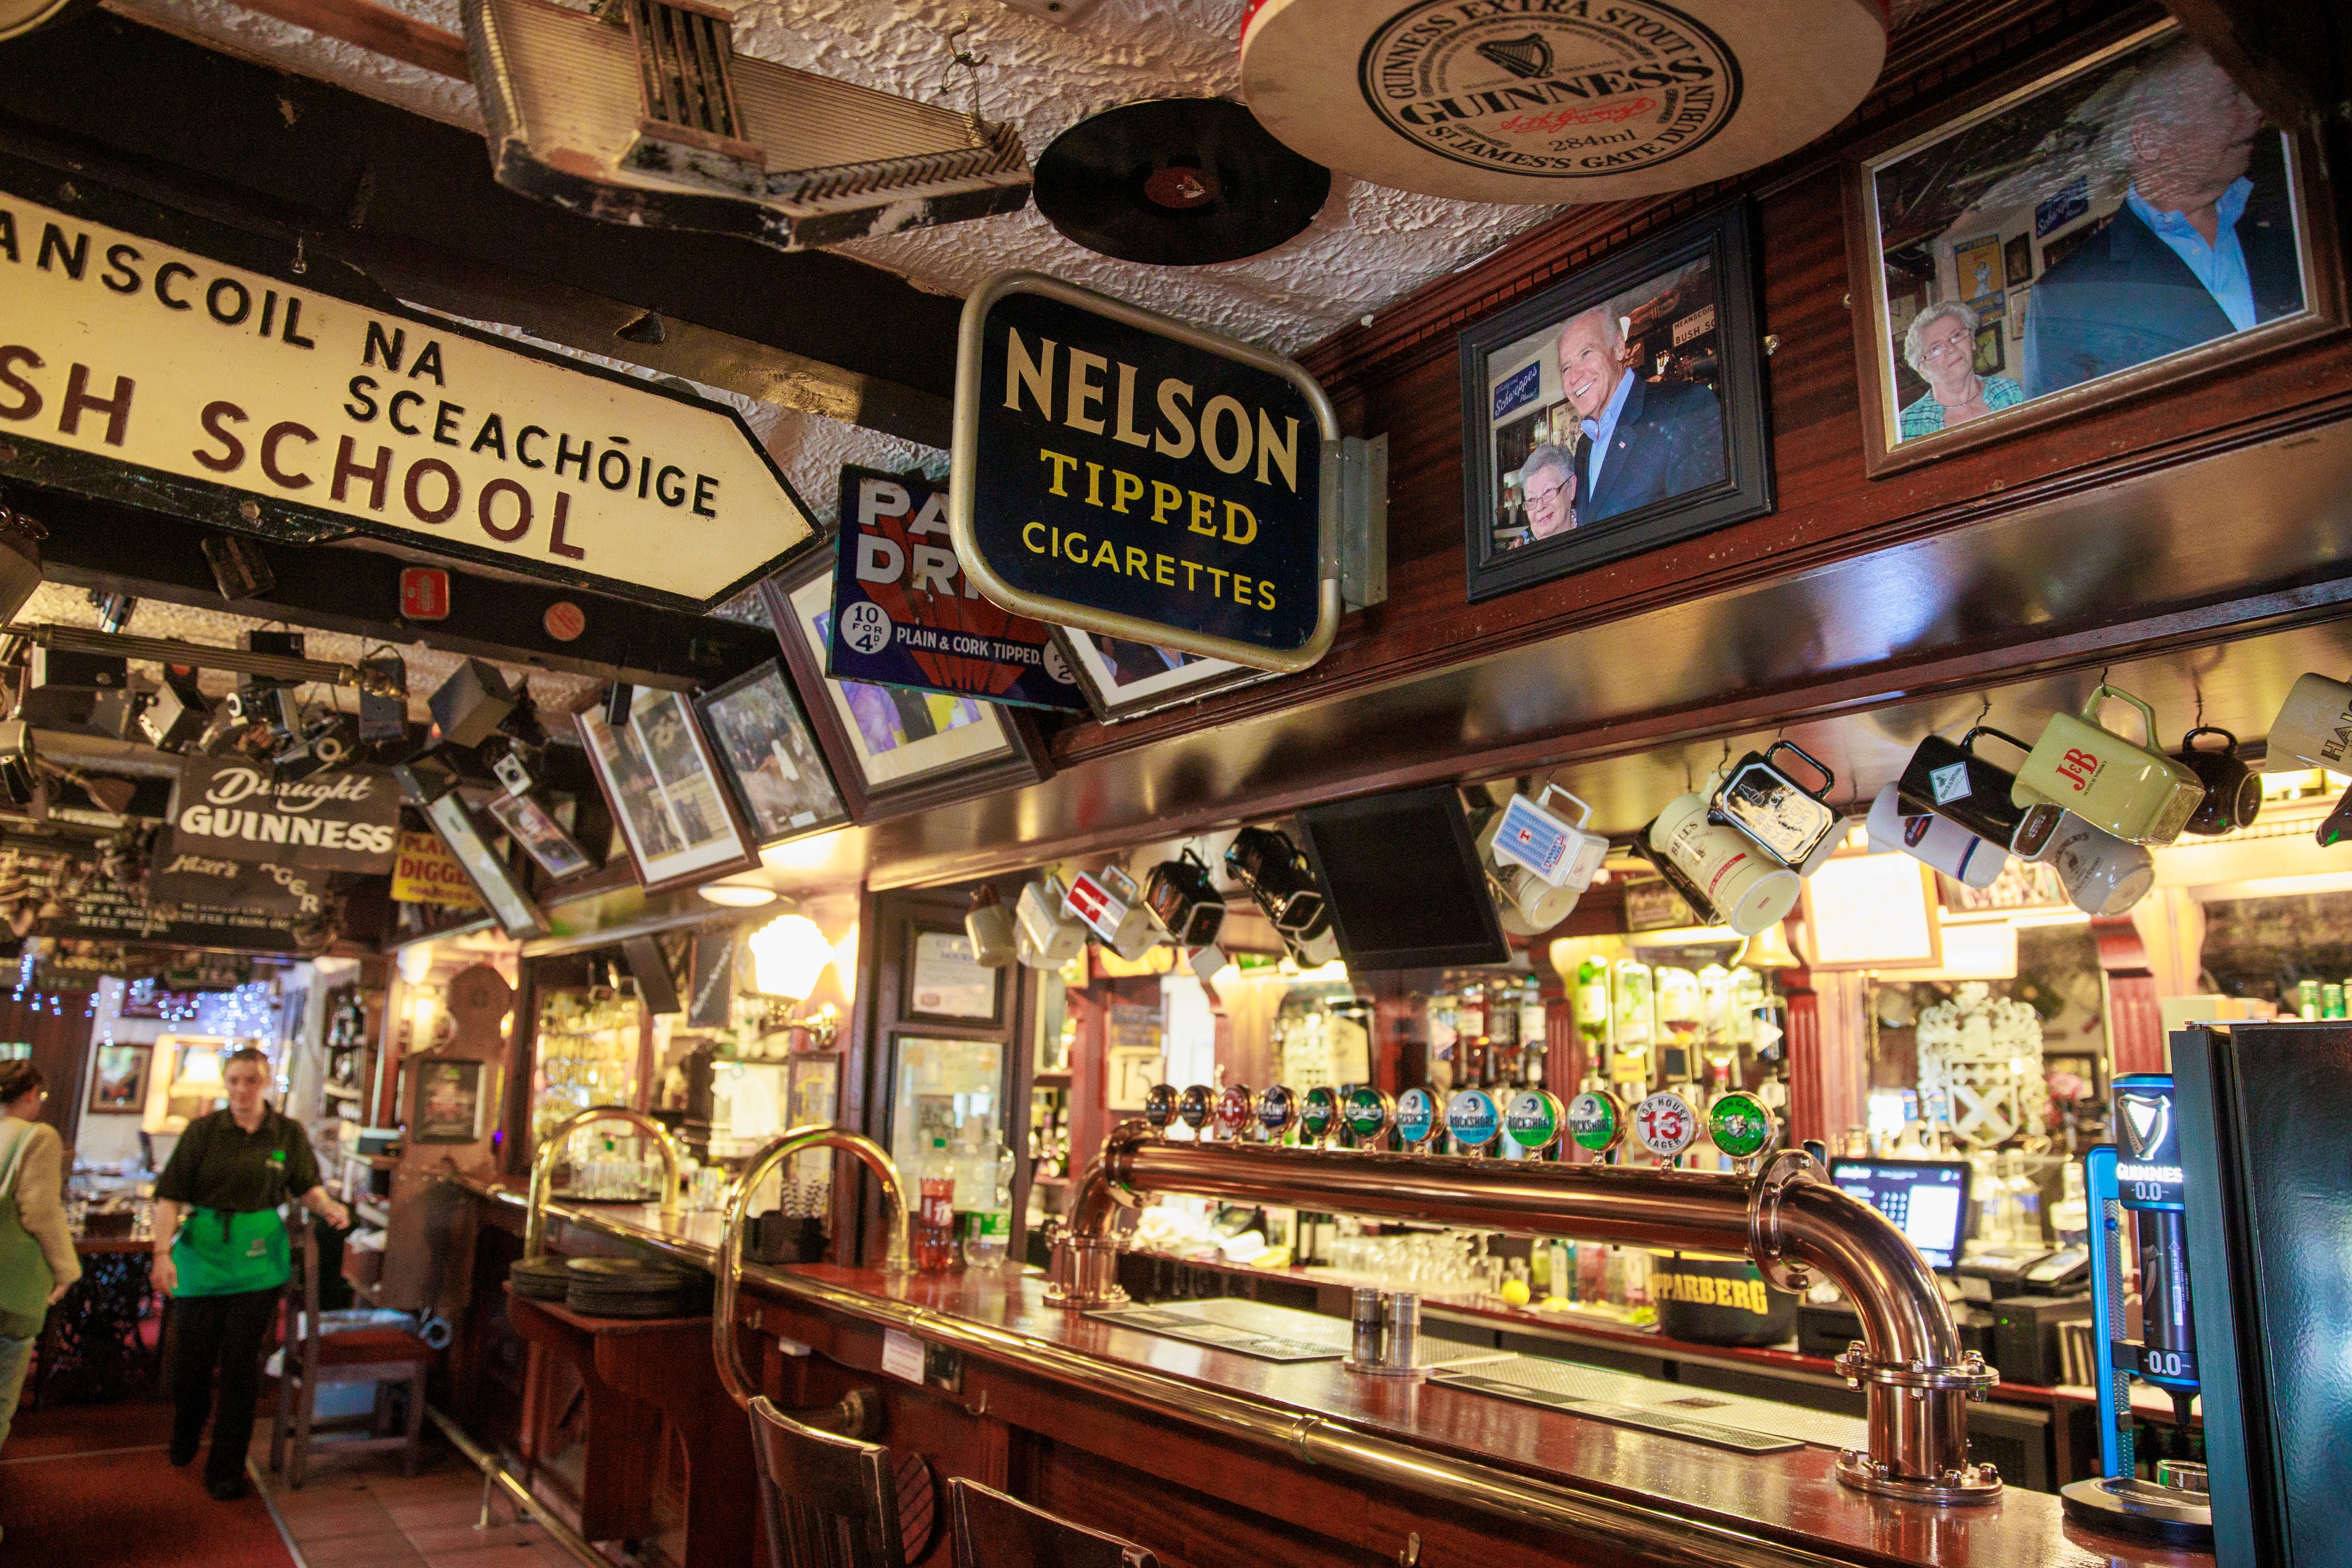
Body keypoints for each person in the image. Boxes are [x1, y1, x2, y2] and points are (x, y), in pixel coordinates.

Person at [2022, 38, 2302, 397]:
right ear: (2150, 140)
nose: (2255, 110)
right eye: (2229, 98)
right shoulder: (2065, 296)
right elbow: (2061, 446)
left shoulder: (2298, 238)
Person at [152, 1047, 349, 1501]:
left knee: (242, 1367)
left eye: (251, 1081)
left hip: (259, 1262)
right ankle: (187, 1426)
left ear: (266, 1083)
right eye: (235, 1081)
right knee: (191, 1364)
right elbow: (169, 1198)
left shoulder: (287, 1133)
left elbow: (307, 1187)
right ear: (226, 1084)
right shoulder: (203, 1132)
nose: (242, 1090)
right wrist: (162, 1254)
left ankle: (226, 1468)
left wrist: (329, 1206)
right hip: (202, 1258)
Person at [1555, 305, 1725, 524]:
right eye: (1566, 368)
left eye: (1586, 354)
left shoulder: (1684, 409)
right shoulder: (1585, 447)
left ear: (1618, 347)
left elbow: (1707, 528)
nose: (1574, 377)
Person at [0, 1062, 78, 1454]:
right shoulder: (38, 1137)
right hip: (8, 1291)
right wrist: (66, 1270)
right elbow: (40, 1211)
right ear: (31, 1094)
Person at [1898, 302, 2026, 437]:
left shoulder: (2013, 392)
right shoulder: (1906, 427)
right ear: (1922, 371)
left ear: (1972, 341)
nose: (1951, 349)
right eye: (1935, 349)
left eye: (1957, 336)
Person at [1517, 442, 1577, 540]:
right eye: (1532, 499)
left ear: (1572, 487)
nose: (1540, 507)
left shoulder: (1591, 531)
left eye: (1548, 491)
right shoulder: (1520, 550)